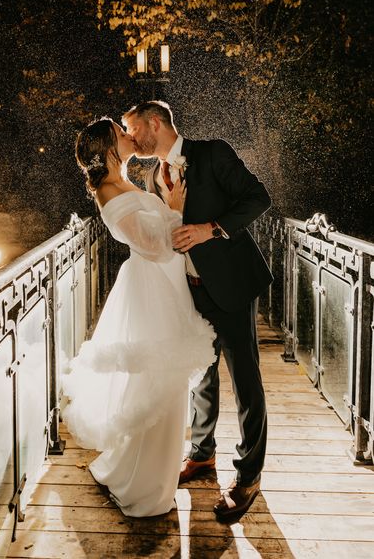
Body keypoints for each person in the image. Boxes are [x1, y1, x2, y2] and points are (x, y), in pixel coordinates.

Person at [122, 101, 273, 520]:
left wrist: (211, 228)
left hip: (231, 285)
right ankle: (203, 454)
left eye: (133, 129)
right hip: (187, 290)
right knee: (201, 377)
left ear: (155, 123)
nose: (131, 139)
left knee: (245, 380)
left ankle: (249, 476)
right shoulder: (153, 174)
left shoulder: (212, 153)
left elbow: (258, 198)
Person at [62, 117, 216, 517]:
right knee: (159, 384)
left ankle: (147, 475)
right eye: (120, 132)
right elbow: (151, 244)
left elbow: (155, 231)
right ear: (109, 146)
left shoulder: (127, 179)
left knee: (165, 382)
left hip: (164, 284)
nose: (129, 135)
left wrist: (166, 203)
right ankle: (146, 490)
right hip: (151, 289)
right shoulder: (108, 190)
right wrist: (178, 210)